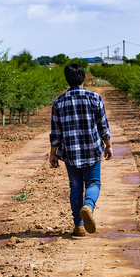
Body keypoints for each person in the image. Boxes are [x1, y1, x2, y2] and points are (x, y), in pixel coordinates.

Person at [49, 63, 113, 237]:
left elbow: (56, 133)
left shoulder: (58, 102)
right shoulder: (94, 98)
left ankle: (78, 226)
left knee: (75, 187)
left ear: (67, 79)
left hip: (69, 152)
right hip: (91, 150)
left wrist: (53, 154)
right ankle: (88, 206)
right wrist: (108, 145)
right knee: (93, 183)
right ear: (84, 77)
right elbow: (103, 126)